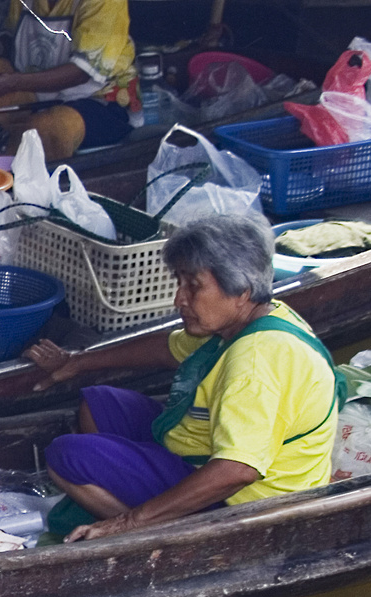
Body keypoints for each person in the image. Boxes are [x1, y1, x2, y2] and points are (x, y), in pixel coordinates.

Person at [29, 216, 344, 542]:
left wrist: (127, 523)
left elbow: (237, 470)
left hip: (246, 503)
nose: (180, 298)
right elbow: (166, 348)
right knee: (97, 404)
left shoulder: (254, 362)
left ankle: (163, 531)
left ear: (242, 290)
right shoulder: (254, 316)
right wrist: (77, 363)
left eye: (194, 286)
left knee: (65, 456)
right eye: (180, 282)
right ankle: (138, 495)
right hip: (204, 444)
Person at [0, 0, 139, 160]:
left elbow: (81, 72)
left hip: (100, 102)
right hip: (34, 93)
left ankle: (9, 179)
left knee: (49, 129)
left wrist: (13, 82)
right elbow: (13, 34)